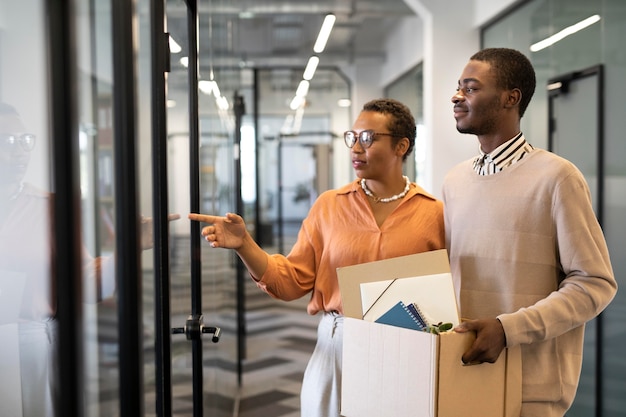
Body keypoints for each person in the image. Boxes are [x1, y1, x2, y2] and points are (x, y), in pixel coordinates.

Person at [189, 98, 445, 417]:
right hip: (339, 347)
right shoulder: (330, 206)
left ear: (401, 146)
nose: (356, 147)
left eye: (368, 138)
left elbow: (445, 293)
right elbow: (292, 280)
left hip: (406, 348)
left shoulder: (433, 213)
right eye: (352, 137)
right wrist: (245, 245)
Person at [444, 48, 617, 417]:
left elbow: (594, 283)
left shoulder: (557, 178)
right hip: (461, 376)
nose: (458, 97)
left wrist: (508, 329)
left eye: (471, 89)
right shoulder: (454, 181)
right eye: (459, 88)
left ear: (511, 98)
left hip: (531, 391)